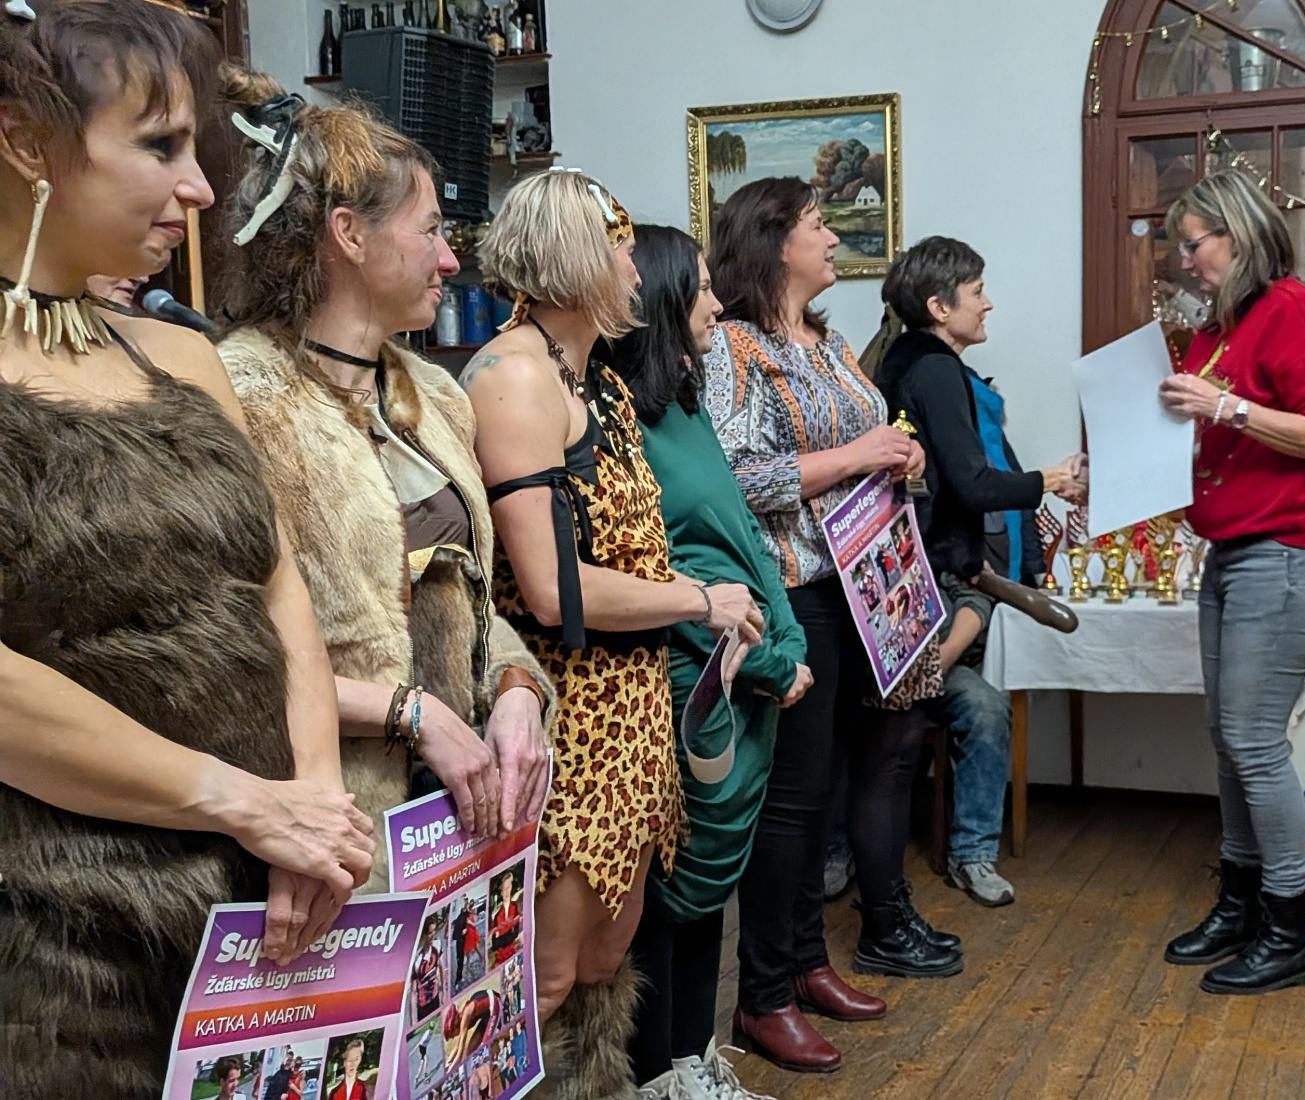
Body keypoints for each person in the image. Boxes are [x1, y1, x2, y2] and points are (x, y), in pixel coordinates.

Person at [0, 5, 375, 1095]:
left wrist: (311, 801)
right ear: (26, 142)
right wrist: (241, 800)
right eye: (160, 145)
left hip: (259, 903)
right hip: (57, 943)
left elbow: (278, 584)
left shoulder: (182, 356)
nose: (203, 188)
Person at [216, 79, 554, 891]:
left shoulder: (433, 398)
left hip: (457, 826)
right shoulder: (239, 399)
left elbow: (466, 604)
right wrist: (409, 712)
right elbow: (228, 659)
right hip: (327, 837)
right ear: (349, 234)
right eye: (432, 230)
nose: (451, 260)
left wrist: (516, 689)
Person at [462, 168, 763, 1080]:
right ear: (574, 257)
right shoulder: (514, 377)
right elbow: (551, 592)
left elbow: (633, 550)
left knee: (603, 962)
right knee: (547, 974)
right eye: (621, 246)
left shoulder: (597, 381)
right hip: (570, 714)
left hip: (632, 707)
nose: (637, 266)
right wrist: (700, 601)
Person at [703, 177, 959, 1077]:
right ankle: (764, 993)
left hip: (861, 584)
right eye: (818, 224)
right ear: (775, 241)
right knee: (793, 798)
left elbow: (871, 439)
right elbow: (734, 477)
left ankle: (809, 964)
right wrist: (856, 454)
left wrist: (902, 453)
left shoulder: (834, 341)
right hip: (795, 588)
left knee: (830, 786)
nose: (834, 237)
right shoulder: (734, 347)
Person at [612, 224, 810, 1099]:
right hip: (693, 681)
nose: (717, 302)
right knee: (671, 896)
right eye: (698, 287)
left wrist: (788, 641)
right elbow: (666, 575)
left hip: (746, 668)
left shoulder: (686, 406)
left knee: (707, 901)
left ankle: (695, 1063)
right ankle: (658, 1076)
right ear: (659, 300)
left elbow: (743, 539)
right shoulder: (624, 423)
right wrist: (769, 665)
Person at [1157, 168, 1305, 995]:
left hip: (1286, 552)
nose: (1184, 261)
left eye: (1192, 245)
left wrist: (1224, 408)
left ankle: (1288, 928)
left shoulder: (1294, 309)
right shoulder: (1219, 330)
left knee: (1255, 741)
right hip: (1232, 553)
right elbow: (1205, 442)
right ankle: (1239, 903)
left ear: (1236, 236)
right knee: (1230, 738)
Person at [867, 235, 1087, 907]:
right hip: (914, 595)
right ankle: (915, 859)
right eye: (977, 291)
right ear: (940, 306)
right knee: (898, 724)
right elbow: (971, 484)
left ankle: (958, 854)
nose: (988, 304)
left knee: (976, 711)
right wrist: (1048, 479)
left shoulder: (910, 363)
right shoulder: (934, 370)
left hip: (922, 589)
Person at [490, 870, 522, 964]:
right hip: (501, 954)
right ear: (501, 891)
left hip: (512, 950)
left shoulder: (514, 906)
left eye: (508, 887)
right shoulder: (496, 913)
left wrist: (508, 936)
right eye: (504, 889)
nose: (507, 891)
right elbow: (495, 943)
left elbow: (515, 932)